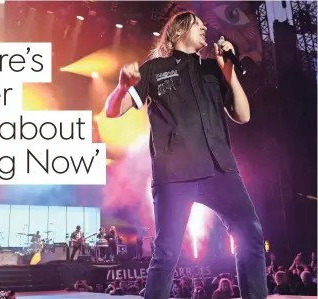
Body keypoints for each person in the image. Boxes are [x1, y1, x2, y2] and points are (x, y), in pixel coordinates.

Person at [104, 11, 267, 299]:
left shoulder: (213, 69)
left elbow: (244, 115)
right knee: (166, 251)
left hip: (221, 170)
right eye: (199, 25)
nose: (206, 28)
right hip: (175, 175)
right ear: (180, 30)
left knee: (250, 233)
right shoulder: (154, 69)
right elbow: (112, 110)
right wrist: (122, 87)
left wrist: (228, 69)